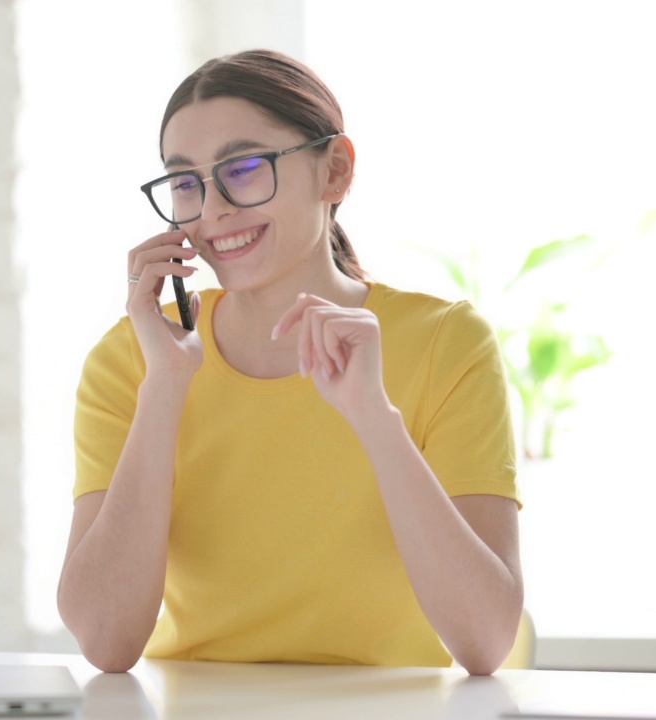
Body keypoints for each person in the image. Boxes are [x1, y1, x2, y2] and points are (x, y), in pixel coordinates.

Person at [57, 49, 523, 676]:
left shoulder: (446, 342)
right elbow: (106, 642)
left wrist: (374, 418)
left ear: (334, 171)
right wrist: (164, 389)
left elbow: (487, 641)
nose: (211, 210)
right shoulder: (132, 359)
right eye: (186, 182)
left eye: (244, 167)